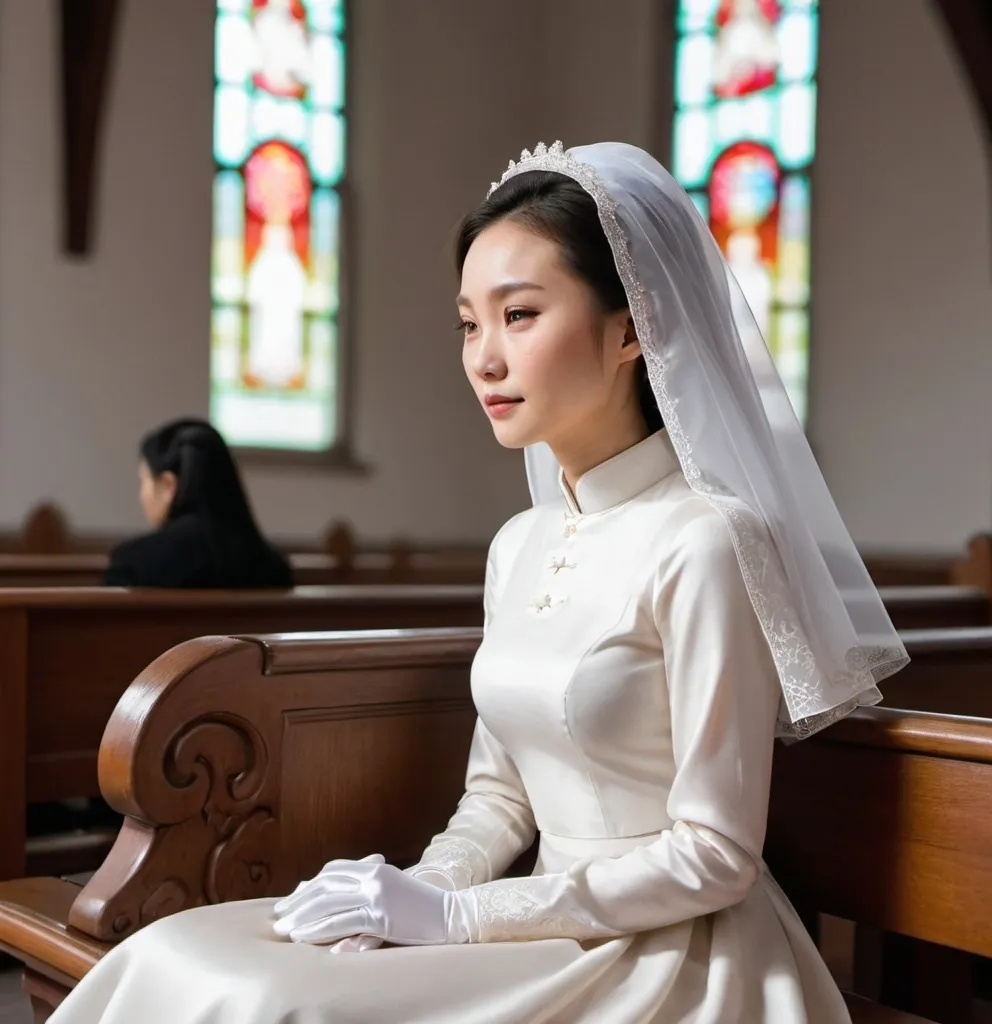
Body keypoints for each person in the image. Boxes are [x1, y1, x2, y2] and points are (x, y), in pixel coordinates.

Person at [53, 142, 907, 1023]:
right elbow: (499, 795)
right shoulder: (517, 545)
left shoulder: (707, 540)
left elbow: (716, 855)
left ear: (630, 329)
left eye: (520, 315)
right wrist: (412, 891)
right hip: (532, 924)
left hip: (667, 953)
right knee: (179, 956)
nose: (484, 359)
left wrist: (461, 916)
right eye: (469, 323)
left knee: (282, 1006)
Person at [104, 418, 293, 589]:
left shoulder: (133, 564)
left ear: (169, 485)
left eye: (143, 481)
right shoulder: (274, 568)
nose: (142, 496)